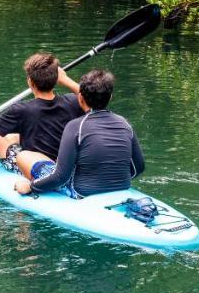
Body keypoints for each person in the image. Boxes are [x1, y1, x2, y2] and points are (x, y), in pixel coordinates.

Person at [13, 69, 144, 198]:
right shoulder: (125, 124)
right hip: (121, 189)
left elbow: (60, 177)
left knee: (24, 156)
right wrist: (112, 182)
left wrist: (31, 186)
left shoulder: (75, 126)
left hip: (80, 193)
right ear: (110, 97)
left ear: (80, 98)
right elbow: (138, 168)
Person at [0, 52, 82, 176]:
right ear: (56, 80)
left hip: (32, 167)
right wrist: (66, 80)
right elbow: (90, 98)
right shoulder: (72, 101)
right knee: (14, 135)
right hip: (63, 164)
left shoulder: (21, 110)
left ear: (30, 82)